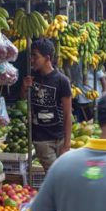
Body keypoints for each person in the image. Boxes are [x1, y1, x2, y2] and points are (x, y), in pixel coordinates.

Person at [22, 38, 72, 173]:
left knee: (62, 175)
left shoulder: (62, 81)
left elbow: (68, 114)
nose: (31, 59)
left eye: (35, 56)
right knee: (54, 175)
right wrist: (24, 88)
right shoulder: (32, 77)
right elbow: (23, 100)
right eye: (31, 55)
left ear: (47, 58)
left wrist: (67, 144)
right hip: (41, 139)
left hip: (60, 137)